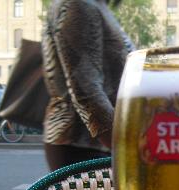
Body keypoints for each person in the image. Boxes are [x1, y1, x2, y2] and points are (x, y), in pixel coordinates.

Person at [41, 0, 134, 171]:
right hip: (82, 144)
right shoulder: (79, 4)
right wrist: (129, 148)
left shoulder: (96, 5)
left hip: (94, 142)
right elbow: (86, 90)